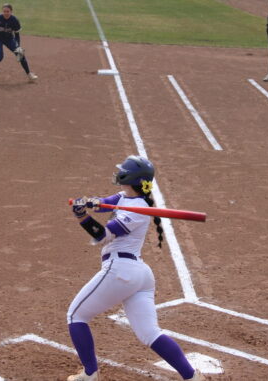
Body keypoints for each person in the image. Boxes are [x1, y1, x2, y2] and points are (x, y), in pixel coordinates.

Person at [66, 155, 204, 381]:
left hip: (120, 271)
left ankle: (90, 374)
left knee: (76, 315)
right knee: (150, 333)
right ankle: (191, 377)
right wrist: (90, 202)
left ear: (130, 178)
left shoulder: (138, 209)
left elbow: (102, 236)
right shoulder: (124, 197)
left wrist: (82, 216)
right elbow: (105, 202)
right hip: (139, 274)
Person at [0, 3, 37, 83]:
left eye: (8, 11)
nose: (6, 13)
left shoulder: (14, 20)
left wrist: (18, 46)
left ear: (11, 12)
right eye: (4, 11)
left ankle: (29, 75)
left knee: (20, 54)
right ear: (2, 11)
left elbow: (17, 34)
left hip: (9, 39)